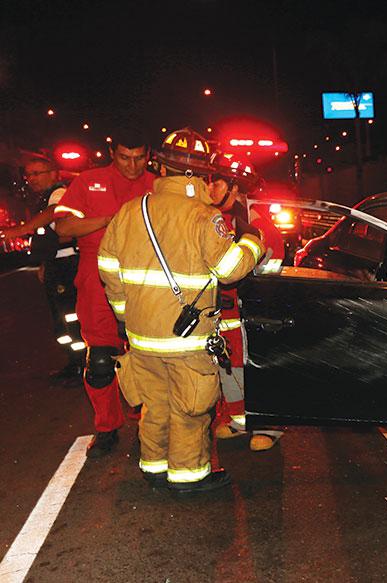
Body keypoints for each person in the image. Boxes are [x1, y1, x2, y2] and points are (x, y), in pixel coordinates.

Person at [98, 128, 266, 493]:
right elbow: (229, 270)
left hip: (142, 337)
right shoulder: (204, 216)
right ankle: (189, 477)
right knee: (190, 408)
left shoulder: (130, 212)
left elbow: (108, 268)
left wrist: (126, 315)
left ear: (159, 167)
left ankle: (153, 467)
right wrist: (253, 243)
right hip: (187, 340)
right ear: (202, 173)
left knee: (154, 405)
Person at [55, 131, 156, 456]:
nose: (132, 165)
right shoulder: (88, 182)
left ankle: (150, 427)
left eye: (139, 158)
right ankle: (106, 428)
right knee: (100, 360)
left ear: (148, 155)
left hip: (147, 280)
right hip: (96, 278)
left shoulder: (158, 184)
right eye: (125, 157)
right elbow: (63, 228)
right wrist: (111, 220)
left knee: (149, 359)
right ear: (112, 152)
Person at [209, 153, 285, 451]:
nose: (210, 188)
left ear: (235, 188)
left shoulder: (256, 223)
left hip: (250, 311)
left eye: (216, 183)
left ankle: (268, 425)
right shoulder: (214, 219)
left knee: (257, 366)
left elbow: (270, 266)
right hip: (222, 310)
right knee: (229, 367)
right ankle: (238, 420)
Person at [1, 155, 83, 380]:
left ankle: (80, 365)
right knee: (61, 318)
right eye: (29, 174)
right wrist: (45, 264)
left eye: (37, 173)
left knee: (69, 317)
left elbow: (56, 213)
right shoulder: (44, 198)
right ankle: (73, 362)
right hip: (56, 264)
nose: (32, 179)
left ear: (54, 174)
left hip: (66, 265)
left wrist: (22, 229)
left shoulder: (59, 193)